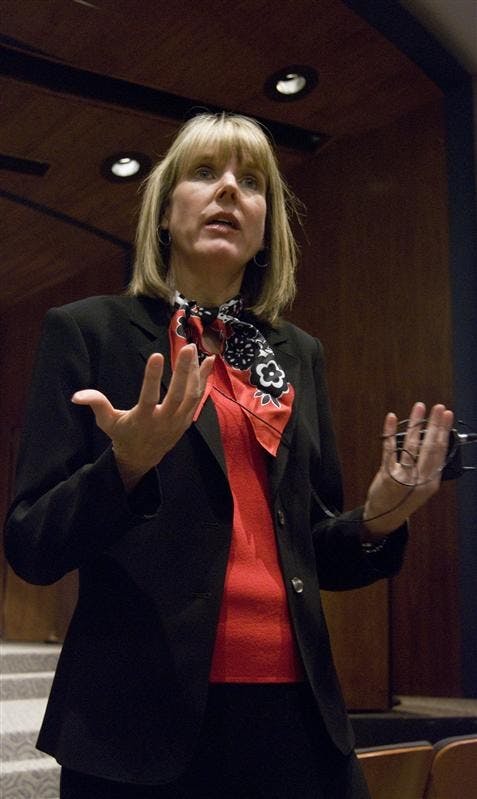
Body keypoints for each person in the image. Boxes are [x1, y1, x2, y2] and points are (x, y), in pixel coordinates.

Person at [4, 112, 453, 799]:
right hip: (137, 720)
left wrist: (375, 519)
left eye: (251, 183)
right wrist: (124, 466)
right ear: (162, 212)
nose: (228, 193)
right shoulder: (86, 332)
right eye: (204, 173)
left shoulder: (296, 354)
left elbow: (316, 550)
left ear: (266, 226)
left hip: (296, 717)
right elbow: (31, 544)